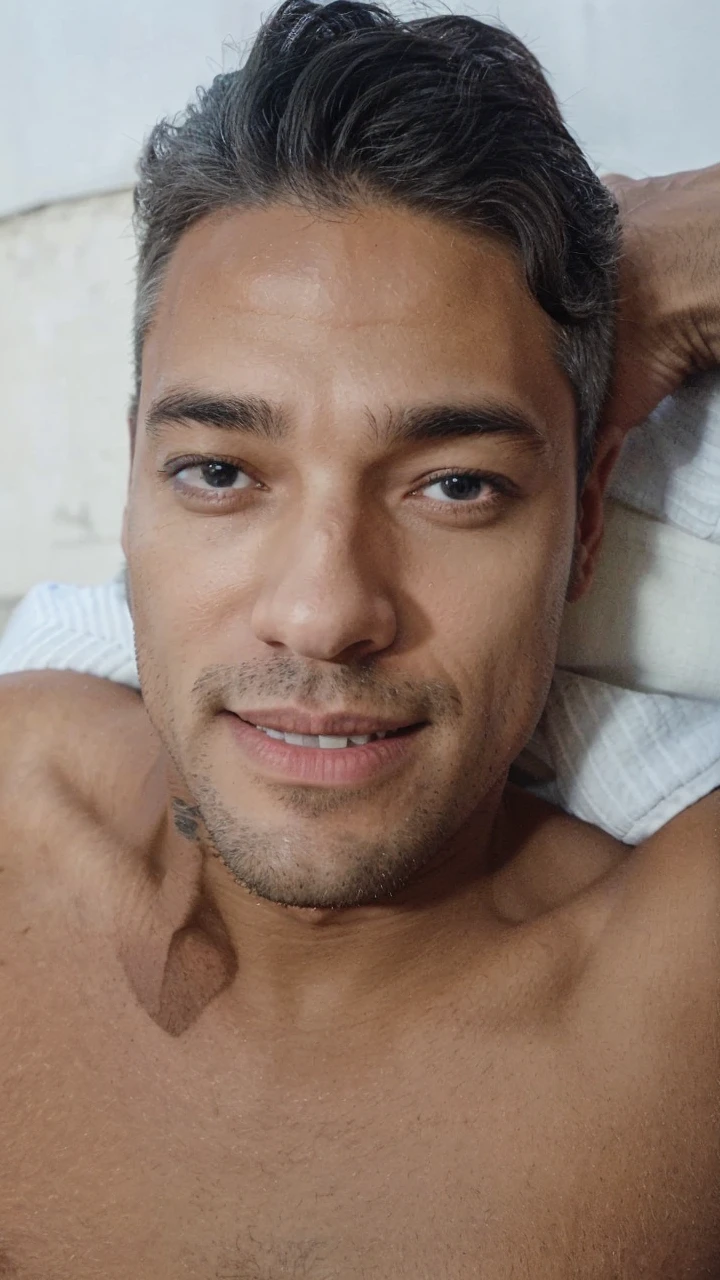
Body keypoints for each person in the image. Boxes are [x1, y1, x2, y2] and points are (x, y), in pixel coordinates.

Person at [1, 1, 718, 1274]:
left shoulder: (681, 987)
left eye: (455, 485)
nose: (328, 613)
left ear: (589, 521)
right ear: (128, 486)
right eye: (221, 470)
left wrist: (662, 253)